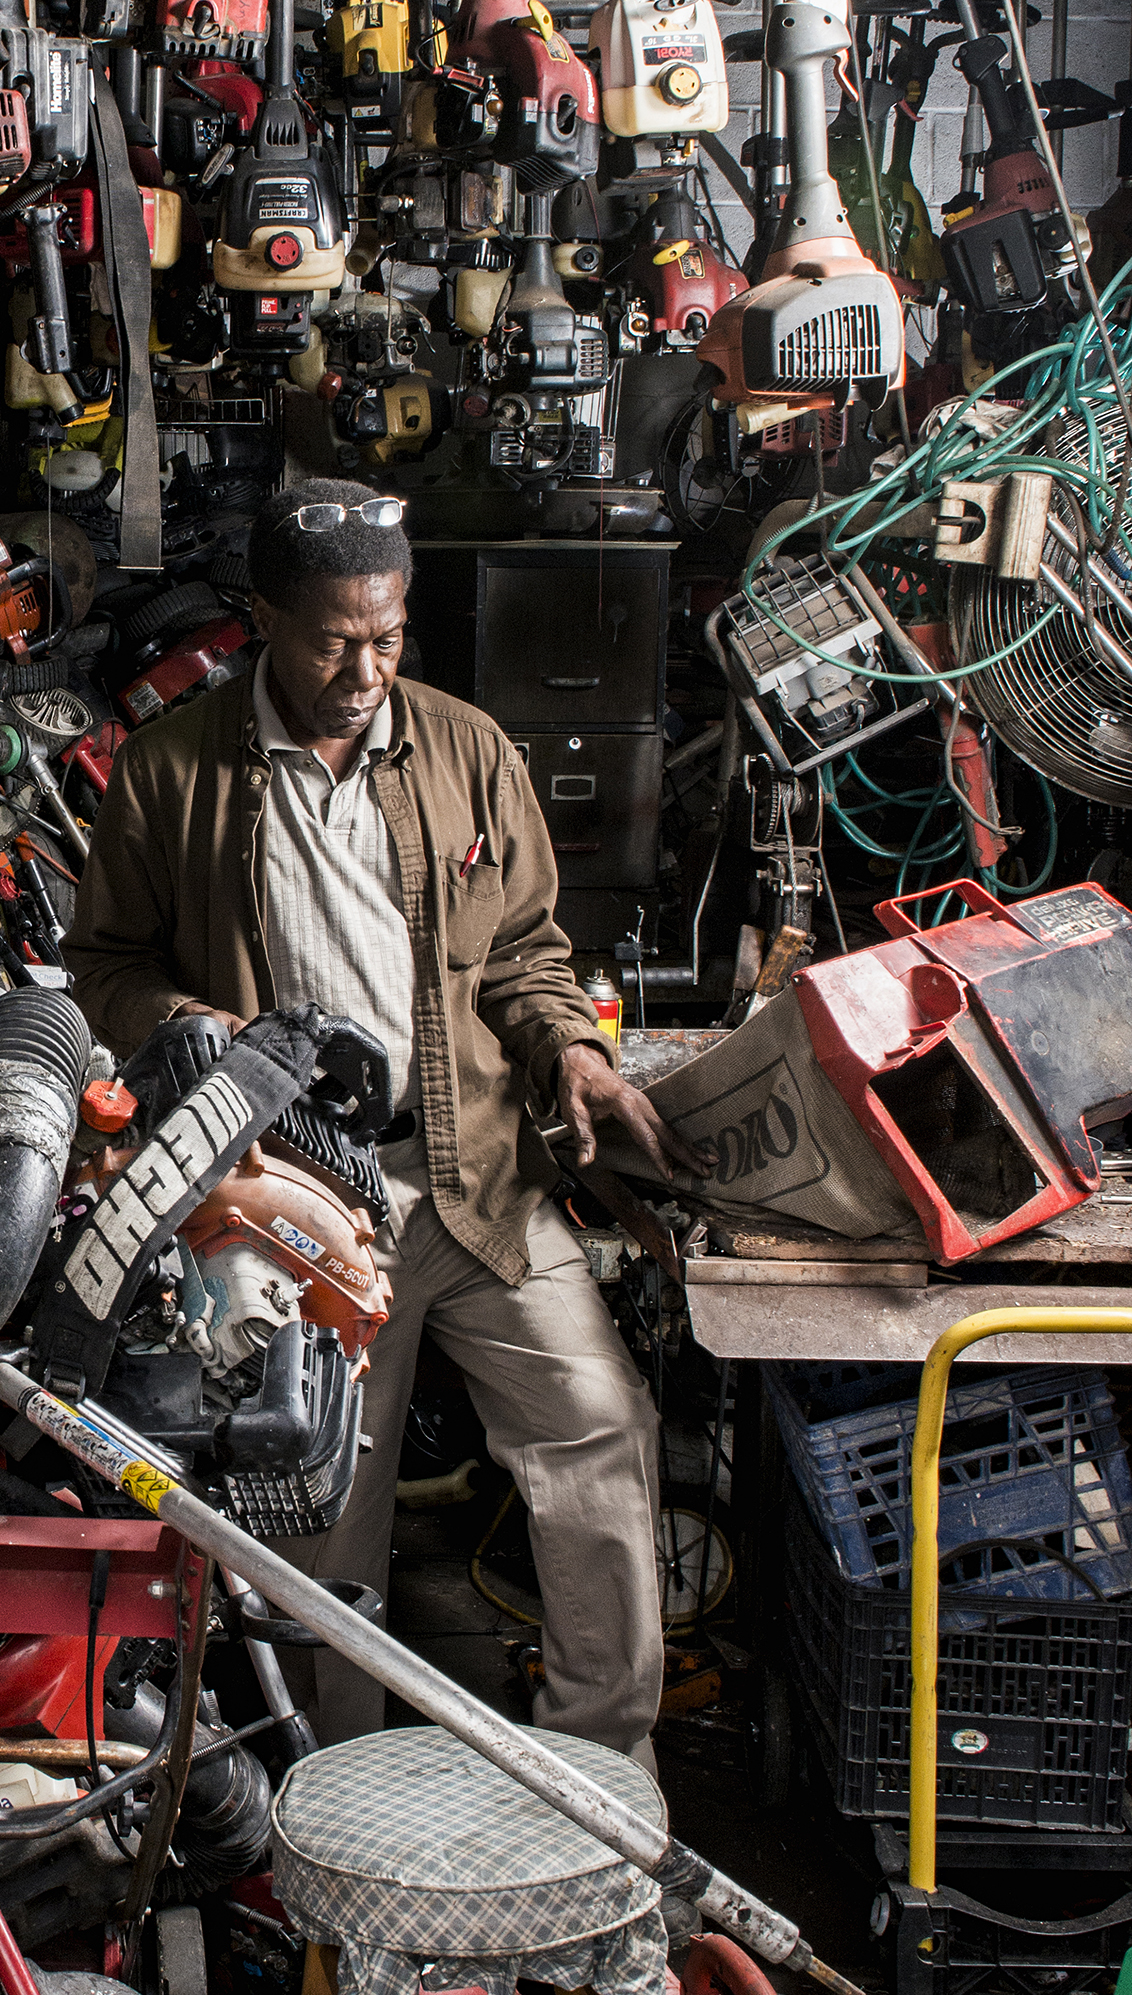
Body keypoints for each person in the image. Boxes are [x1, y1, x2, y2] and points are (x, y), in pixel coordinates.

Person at [66, 476, 706, 1761]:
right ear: (263, 622)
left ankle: (599, 1765)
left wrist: (573, 1054)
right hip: (300, 1207)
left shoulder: (466, 749)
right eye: (333, 639)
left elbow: (524, 948)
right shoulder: (174, 769)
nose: (365, 668)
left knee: (598, 1427)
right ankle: (340, 1798)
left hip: (474, 1176)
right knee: (320, 1516)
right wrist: (201, 1022)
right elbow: (105, 968)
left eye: (389, 634)